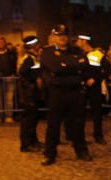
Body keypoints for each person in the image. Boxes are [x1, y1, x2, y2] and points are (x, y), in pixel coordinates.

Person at [39, 24, 93, 165]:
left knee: (78, 124)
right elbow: (55, 68)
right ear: (54, 37)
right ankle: (50, 154)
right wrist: (74, 67)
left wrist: (65, 66)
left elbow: (84, 65)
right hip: (57, 93)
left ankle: (81, 150)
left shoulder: (77, 50)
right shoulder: (47, 52)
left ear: (68, 37)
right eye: (59, 35)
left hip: (75, 92)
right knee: (53, 125)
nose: (62, 38)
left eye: (64, 35)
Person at [75, 34, 111, 144]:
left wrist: (95, 79)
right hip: (80, 86)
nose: (77, 42)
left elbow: (108, 70)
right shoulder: (77, 54)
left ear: (85, 41)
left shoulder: (98, 54)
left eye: (79, 40)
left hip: (94, 87)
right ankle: (79, 137)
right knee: (79, 113)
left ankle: (98, 135)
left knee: (96, 112)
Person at [17, 35, 44, 152]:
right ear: (33, 45)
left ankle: (33, 141)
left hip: (31, 92)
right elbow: (23, 73)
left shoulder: (32, 57)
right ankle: (26, 144)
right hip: (29, 93)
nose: (39, 46)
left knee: (33, 118)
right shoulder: (29, 58)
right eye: (37, 44)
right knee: (29, 119)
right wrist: (35, 79)